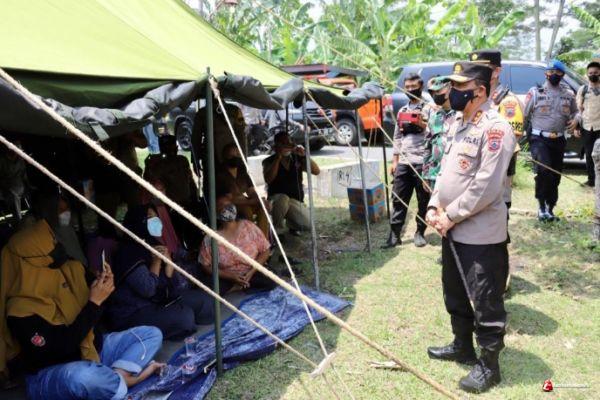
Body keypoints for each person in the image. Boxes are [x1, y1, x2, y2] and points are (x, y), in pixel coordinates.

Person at [425, 62, 516, 393]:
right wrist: (434, 205)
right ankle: (462, 345)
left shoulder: (496, 128)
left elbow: (487, 186)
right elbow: (446, 172)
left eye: (459, 86)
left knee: (485, 300)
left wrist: (450, 214)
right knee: (455, 291)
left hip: (480, 234)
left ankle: (489, 365)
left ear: (479, 91)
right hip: (452, 228)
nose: (452, 92)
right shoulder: (458, 123)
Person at [0, 219, 164, 400]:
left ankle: (117, 378)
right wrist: (93, 303)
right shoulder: (19, 309)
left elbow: (101, 312)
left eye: (54, 240)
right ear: (28, 264)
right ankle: (128, 379)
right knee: (83, 377)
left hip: (92, 348)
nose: (57, 247)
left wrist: (103, 287)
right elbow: (58, 349)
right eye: (50, 246)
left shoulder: (70, 272)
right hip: (54, 371)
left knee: (152, 334)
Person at [108, 205, 213, 339]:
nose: (156, 220)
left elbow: (172, 287)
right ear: (138, 222)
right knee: (184, 317)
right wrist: (157, 261)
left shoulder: (152, 243)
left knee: (205, 302)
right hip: (134, 311)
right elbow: (148, 289)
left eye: (156, 216)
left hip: (160, 301)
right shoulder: (128, 253)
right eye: (150, 217)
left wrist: (169, 265)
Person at [469, 49, 524, 211]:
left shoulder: (507, 101)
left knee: (497, 210)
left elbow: (512, 137)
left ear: (497, 71)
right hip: (472, 168)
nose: (476, 72)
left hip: (497, 170)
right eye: (474, 68)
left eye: (482, 68)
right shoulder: (473, 98)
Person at [524, 59, 578, 222]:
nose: (554, 74)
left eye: (558, 72)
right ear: (546, 73)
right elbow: (524, 115)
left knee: (555, 175)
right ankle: (541, 207)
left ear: (563, 75)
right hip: (539, 139)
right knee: (544, 170)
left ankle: (550, 208)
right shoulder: (536, 92)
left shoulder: (568, 94)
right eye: (551, 71)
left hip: (559, 140)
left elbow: (576, 112)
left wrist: (577, 120)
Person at [383, 73, 431, 249]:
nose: (410, 90)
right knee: (398, 198)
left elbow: (436, 131)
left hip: (422, 161)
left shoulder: (429, 108)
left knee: (423, 199)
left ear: (421, 87)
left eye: (414, 87)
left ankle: (420, 232)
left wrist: (421, 124)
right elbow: (397, 137)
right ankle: (395, 235)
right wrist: (395, 161)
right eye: (407, 87)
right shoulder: (402, 110)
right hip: (404, 161)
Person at [199, 195, 276, 294]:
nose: (228, 207)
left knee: (272, 279)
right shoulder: (210, 238)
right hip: (227, 277)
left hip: (251, 273)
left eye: (229, 204)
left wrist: (251, 272)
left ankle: (240, 286)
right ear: (216, 214)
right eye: (222, 205)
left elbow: (265, 250)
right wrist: (231, 277)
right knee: (206, 286)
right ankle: (241, 286)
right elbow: (205, 266)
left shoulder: (248, 226)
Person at [262, 132, 320, 236]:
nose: (286, 146)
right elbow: (268, 179)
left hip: (295, 200)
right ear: (276, 145)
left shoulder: (297, 158)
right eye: (282, 143)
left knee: (308, 225)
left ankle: (293, 225)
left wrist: (304, 156)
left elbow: (316, 171)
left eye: (288, 143)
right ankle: (277, 230)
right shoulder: (269, 161)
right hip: (276, 200)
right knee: (283, 199)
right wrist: (278, 158)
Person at [218, 143, 270, 237]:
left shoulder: (242, 170)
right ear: (225, 157)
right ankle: (248, 238)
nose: (235, 158)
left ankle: (262, 239)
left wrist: (259, 200)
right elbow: (230, 199)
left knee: (263, 209)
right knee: (246, 211)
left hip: (245, 201)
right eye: (231, 156)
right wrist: (251, 201)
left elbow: (251, 190)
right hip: (229, 205)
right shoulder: (221, 174)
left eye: (237, 155)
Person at [423, 76, 457, 190]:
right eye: (432, 93)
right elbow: (427, 147)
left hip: (454, 176)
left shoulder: (461, 116)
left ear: (450, 89)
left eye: (438, 91)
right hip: (435, 175)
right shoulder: (434, 117)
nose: (435, 95)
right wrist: (425, 175)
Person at [574, 58, 600, 187]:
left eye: (595, 73)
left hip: (599, 127)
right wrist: (576, 127)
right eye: (590, 73)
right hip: (587, 127)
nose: (593, 75)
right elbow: (579, 111)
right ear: (587, 74)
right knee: (589, 155)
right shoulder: (582, 90)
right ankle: (591, 181)